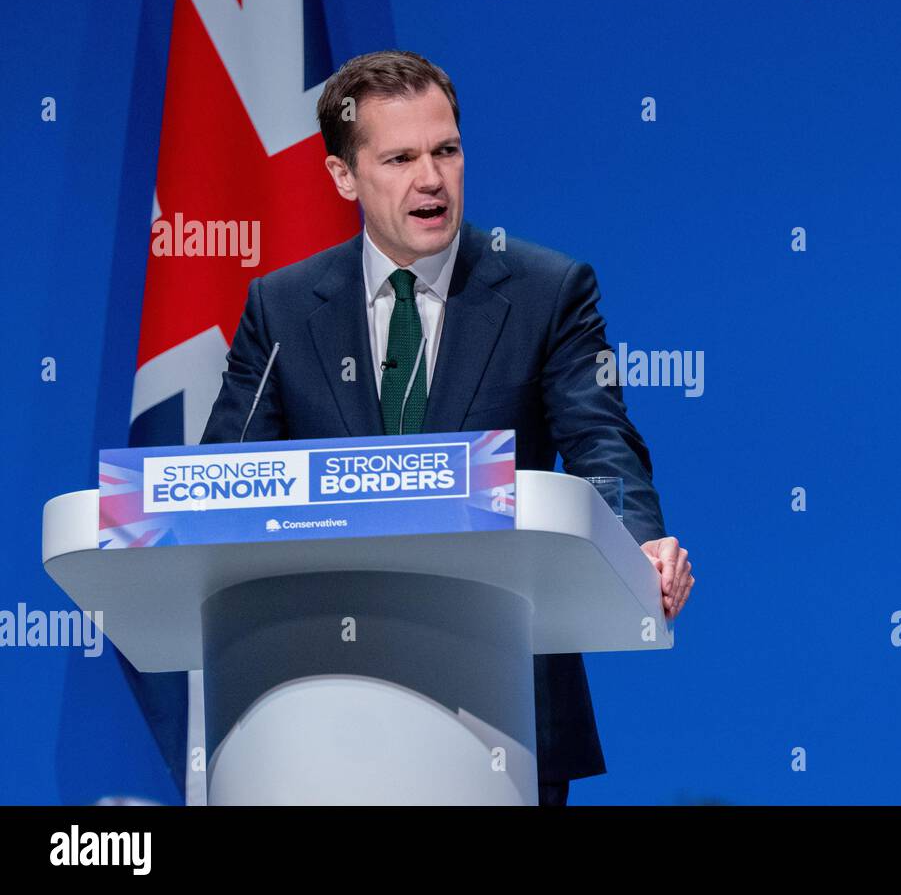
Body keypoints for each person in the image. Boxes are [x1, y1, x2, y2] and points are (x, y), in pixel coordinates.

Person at [201, 50, 695, 805]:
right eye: (400, 157)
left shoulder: (545, 291)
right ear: (343, 176)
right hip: (314, 715)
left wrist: (638, 542)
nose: (431, 179)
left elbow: (601, 443)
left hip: (502, 725)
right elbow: (219, 486)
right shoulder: (282, 309)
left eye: (446, 150)